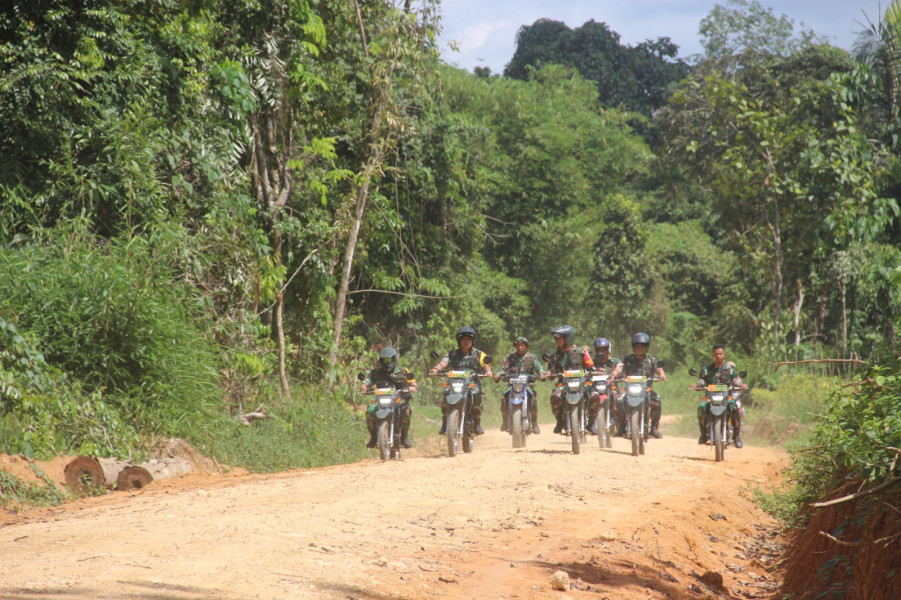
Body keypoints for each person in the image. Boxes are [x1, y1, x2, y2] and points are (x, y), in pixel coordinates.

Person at [429, 326, 493, 435]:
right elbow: (443, 362)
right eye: (463, 339)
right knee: (446, 394)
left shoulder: (479, 354)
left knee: (476, 393)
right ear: (459, 341)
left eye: (469, 339)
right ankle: (445, 423)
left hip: (472, 382)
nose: (466, 341)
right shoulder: (452, 354)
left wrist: (488, 371)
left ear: (472, 341)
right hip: (454, 382)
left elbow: (485, 364)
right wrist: (435, 369)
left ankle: (477, 423)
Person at [609, 332, 667, 438]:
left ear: (646, 348)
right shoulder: (628, 359)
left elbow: (658, 367)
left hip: (646, 391)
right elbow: (620, 367)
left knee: (657, 400)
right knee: (618, 400)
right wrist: (613, 374)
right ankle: (621, 427)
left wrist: (662, 374)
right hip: (629, 391)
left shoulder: (651, 360)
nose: (640, 349)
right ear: (634, 347)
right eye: (637, 346)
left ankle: (654, 428)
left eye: (642, 347)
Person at [360, 347, 417, 449]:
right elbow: (366, 383)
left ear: (394, 359)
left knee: (406, 409)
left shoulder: (403, 371)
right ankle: (373, 437)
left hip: (398, 398)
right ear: (381, 361)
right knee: (370, 410)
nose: (387, 363)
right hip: (380, 399)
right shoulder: (375, 373)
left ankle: (404, 436)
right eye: (384, 360)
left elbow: (412, 382)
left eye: (389, 360)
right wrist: (364, 388)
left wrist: (412, 387)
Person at [691, 345, 745, 448]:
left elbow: (736, 381)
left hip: (726, 397)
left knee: (735, 409)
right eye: (716, 354)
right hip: (710, 398)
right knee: (701, 408)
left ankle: (736, 436)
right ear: (712, 355)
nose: (718, 356)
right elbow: (701, 382)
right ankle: (703, 434)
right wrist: (697, 386)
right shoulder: (706, 370)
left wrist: (741, 386)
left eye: (720, 354)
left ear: (724, 355)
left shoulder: (730, 370)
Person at [546, 325, 594, 434]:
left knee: (594, 396)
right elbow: (550, 370)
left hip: (581, 383)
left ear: (568, 338)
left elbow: (590, 366)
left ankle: (591, 423)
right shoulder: (555, 356)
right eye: (557, 338)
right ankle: (559, 421)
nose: (558, 341)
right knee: (555, 397)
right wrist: (549, 374)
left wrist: (597, 370)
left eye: (560, 338)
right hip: (563, 384)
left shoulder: (581, 351)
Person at [494, 336, 547, 434]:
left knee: (533, 398)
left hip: (527, 385)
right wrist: (498, 375)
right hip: (513, 386)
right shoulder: (510, 358)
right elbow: (503, 368)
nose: (519, 347)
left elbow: (539, 368)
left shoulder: (531, 357)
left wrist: (541, 374)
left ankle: (534, 423)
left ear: (526, 346)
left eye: (522, 345)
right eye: (517, 345)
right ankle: (505, 421)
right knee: (503, 398)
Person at [586, 338, 620, 435]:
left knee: (619, 399)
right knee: (590, 397)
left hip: (611, 387)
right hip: (596, 388)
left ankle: (618, 421)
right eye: (599, 349)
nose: (602, 352)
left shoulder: (614, 361)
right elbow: (586, 371)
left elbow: (622, 367)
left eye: (604, 349)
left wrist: (619, 373)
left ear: (608, 349)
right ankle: (590, 422)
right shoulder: (592, 363)